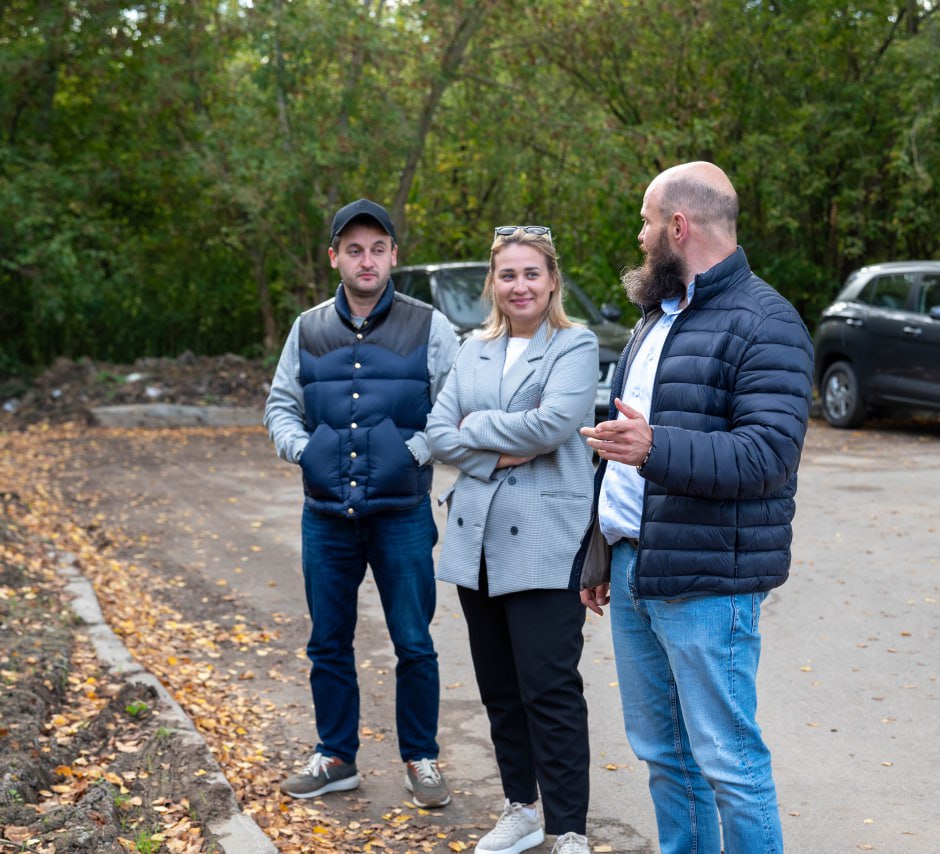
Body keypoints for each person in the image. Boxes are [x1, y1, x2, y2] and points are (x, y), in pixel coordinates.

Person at [573, 162, 813, 854]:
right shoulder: (657, 316)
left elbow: (767, 457)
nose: (641, 236)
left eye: (647, 223)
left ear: (678, 227)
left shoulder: (767, 322)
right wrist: (601, 550)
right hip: (631, 570)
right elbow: (620, 450)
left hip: (709, 584)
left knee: (727, 763)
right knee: (663, 755)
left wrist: (655, 447)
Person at [264, 198, 459, 806]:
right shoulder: (307, 327)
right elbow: (279, 405)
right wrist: (304, 450)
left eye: (377, 248)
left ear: (394, 255)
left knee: (413, 641)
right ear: (335, 259)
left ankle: (421, 759)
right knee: (328, 639)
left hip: (401, 513)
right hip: (325, 516)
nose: (366, 259)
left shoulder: (431, 326)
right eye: (354, 249)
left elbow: (457, 407)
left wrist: (415, 452)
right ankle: (335, 756)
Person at [426, 226, 597, 854]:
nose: (519, 285)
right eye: (507, 275)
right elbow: (438, 433)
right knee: (499, 686)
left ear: (552, 279)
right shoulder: (472, 349)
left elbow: (555, 424)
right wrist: (494, 453)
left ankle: (568, 828)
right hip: (477, 540)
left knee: (549, 688)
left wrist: (479, 428)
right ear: (492, 285)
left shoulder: (574, 346)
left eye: (531, 273)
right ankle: (521, 809)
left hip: (547, 539)